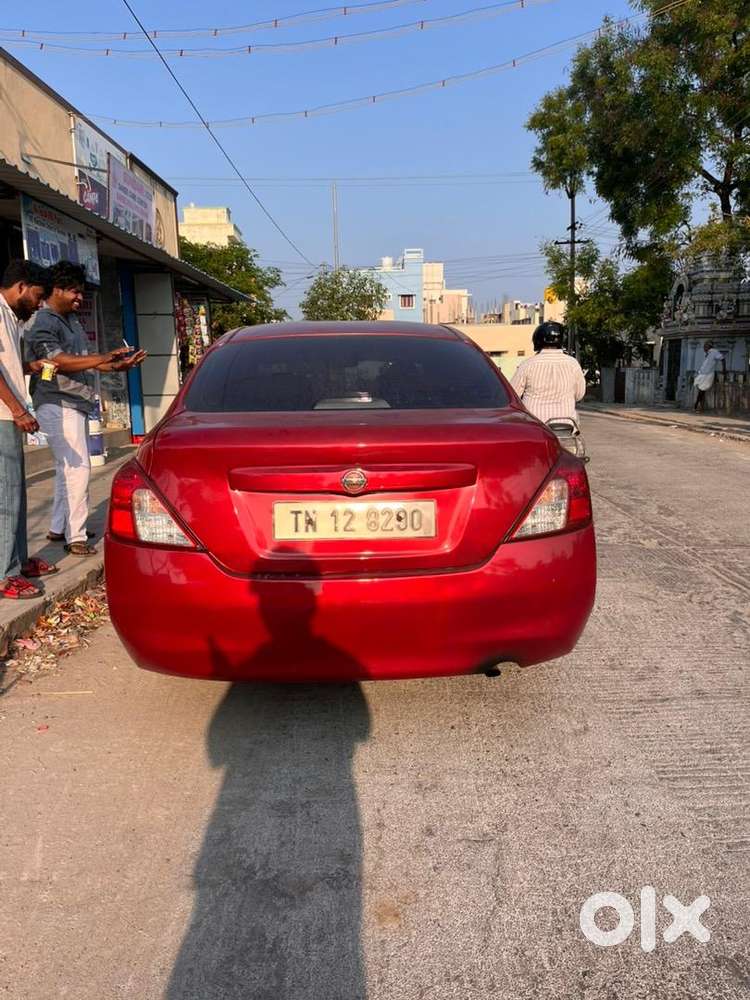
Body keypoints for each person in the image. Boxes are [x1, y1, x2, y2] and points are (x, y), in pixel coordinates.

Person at [25, 262, 146, 556]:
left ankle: (58, 527)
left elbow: (86, 361)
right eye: (75, 292)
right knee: (78, 468)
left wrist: (118, 364)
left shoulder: (72, 320)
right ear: (57, 290)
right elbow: (59, 361)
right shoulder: (44, 322)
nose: (80, 298)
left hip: (74, 402)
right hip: (56, 401)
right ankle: (75, 536)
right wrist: (103, 356)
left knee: (66, 468)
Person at [0, 260, 59, 600]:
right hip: (4, 415)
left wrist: (29, 366)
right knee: (7, 496)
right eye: (37, 296)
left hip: (9, 415)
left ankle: (19, 561)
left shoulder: (12, 317)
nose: (38, 304)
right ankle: (6, 576)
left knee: (16, 492)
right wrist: (18, 409)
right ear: (21, 286)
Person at [510, 321, 587, 423]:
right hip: (566, 423)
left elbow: (512, 395)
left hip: (535, 424)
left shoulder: (527, 364)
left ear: (537, 341)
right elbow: (579, 395)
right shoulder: (573, 364)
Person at [693, 340, 726, 413]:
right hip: (702, 373)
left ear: (708, 346)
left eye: (705, 346)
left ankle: (696, 406)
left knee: (701, 391)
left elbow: (723, 359)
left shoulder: (714, 352)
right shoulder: (708, 353)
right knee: (701, 391)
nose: (704, 348)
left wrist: (724, 370)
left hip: (708, 374)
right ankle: (699, 407)